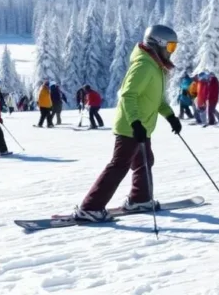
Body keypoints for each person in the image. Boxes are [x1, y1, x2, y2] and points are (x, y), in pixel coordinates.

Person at [73, 25, 183, 222]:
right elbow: (127, 95)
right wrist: (135, 123)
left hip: (142, 127)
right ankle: (90, 208)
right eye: (171, 46)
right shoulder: (144, 65)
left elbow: (156, 99)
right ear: (158, 44)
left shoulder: (156, 66)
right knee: (119, 165)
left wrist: (170, 116)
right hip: (131, 127)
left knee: (145, 161)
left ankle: (140, 199)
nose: (171, 51)